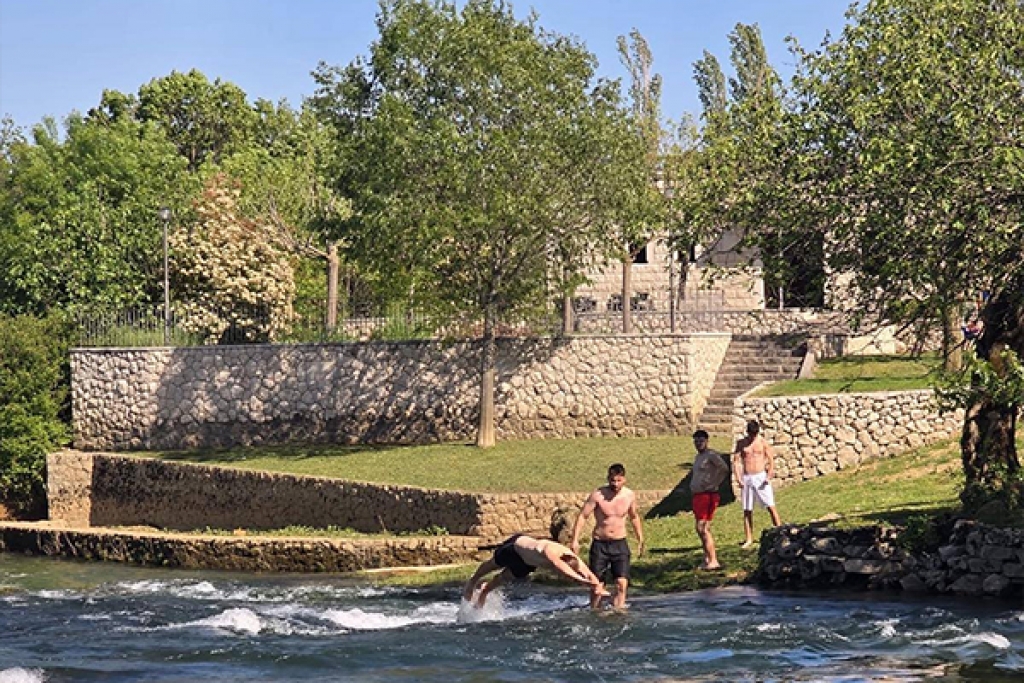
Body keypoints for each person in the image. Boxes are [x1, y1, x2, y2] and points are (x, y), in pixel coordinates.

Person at [569, 463, 645, 609]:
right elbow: (583, 516)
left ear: (624, 479)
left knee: (622, 583)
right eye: (612, 480)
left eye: (618, 480)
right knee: (597, 584)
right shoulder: (598, 495)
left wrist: (640, 538)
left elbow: (634, 517)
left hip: (619, 543)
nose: (615, 484)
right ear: (608, 479)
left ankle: (619, 610)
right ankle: (595, 610)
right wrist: (575, 540)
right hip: (600, 544)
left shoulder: (629, 495)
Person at [462, 534, 607, 608]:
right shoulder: (550, 551)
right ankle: (473, 581)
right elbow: (559, 566)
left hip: (527, 563)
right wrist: (582, 581)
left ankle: (484, 592)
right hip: (515, 548)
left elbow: (589, 574)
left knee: (504, 578)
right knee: (492, 565)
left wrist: (596, 587)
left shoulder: (574, 559)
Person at [732, 419, 783, 549]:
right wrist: (739, 478)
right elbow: (736, 461)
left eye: (754, 434)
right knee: (747, 509)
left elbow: (771, 460)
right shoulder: (742, 444)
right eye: (750, 434)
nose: (752, 437)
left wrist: (769, 474)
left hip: (760, 476)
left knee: (770, 506)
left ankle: (780, 532)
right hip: (748, 477)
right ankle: (748, 538)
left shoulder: (762, 443)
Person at [690, 429, 730, 570]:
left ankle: (713, 560)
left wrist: (715, 482)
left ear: (707, 441)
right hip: (697, 495)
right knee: (700, 529)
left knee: (703, 528)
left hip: (707, 495)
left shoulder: (711, 455)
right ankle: (707, 557)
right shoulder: (698, 457)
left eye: (701, 441)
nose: (698, 443)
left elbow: (724, 468)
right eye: (696, 441)